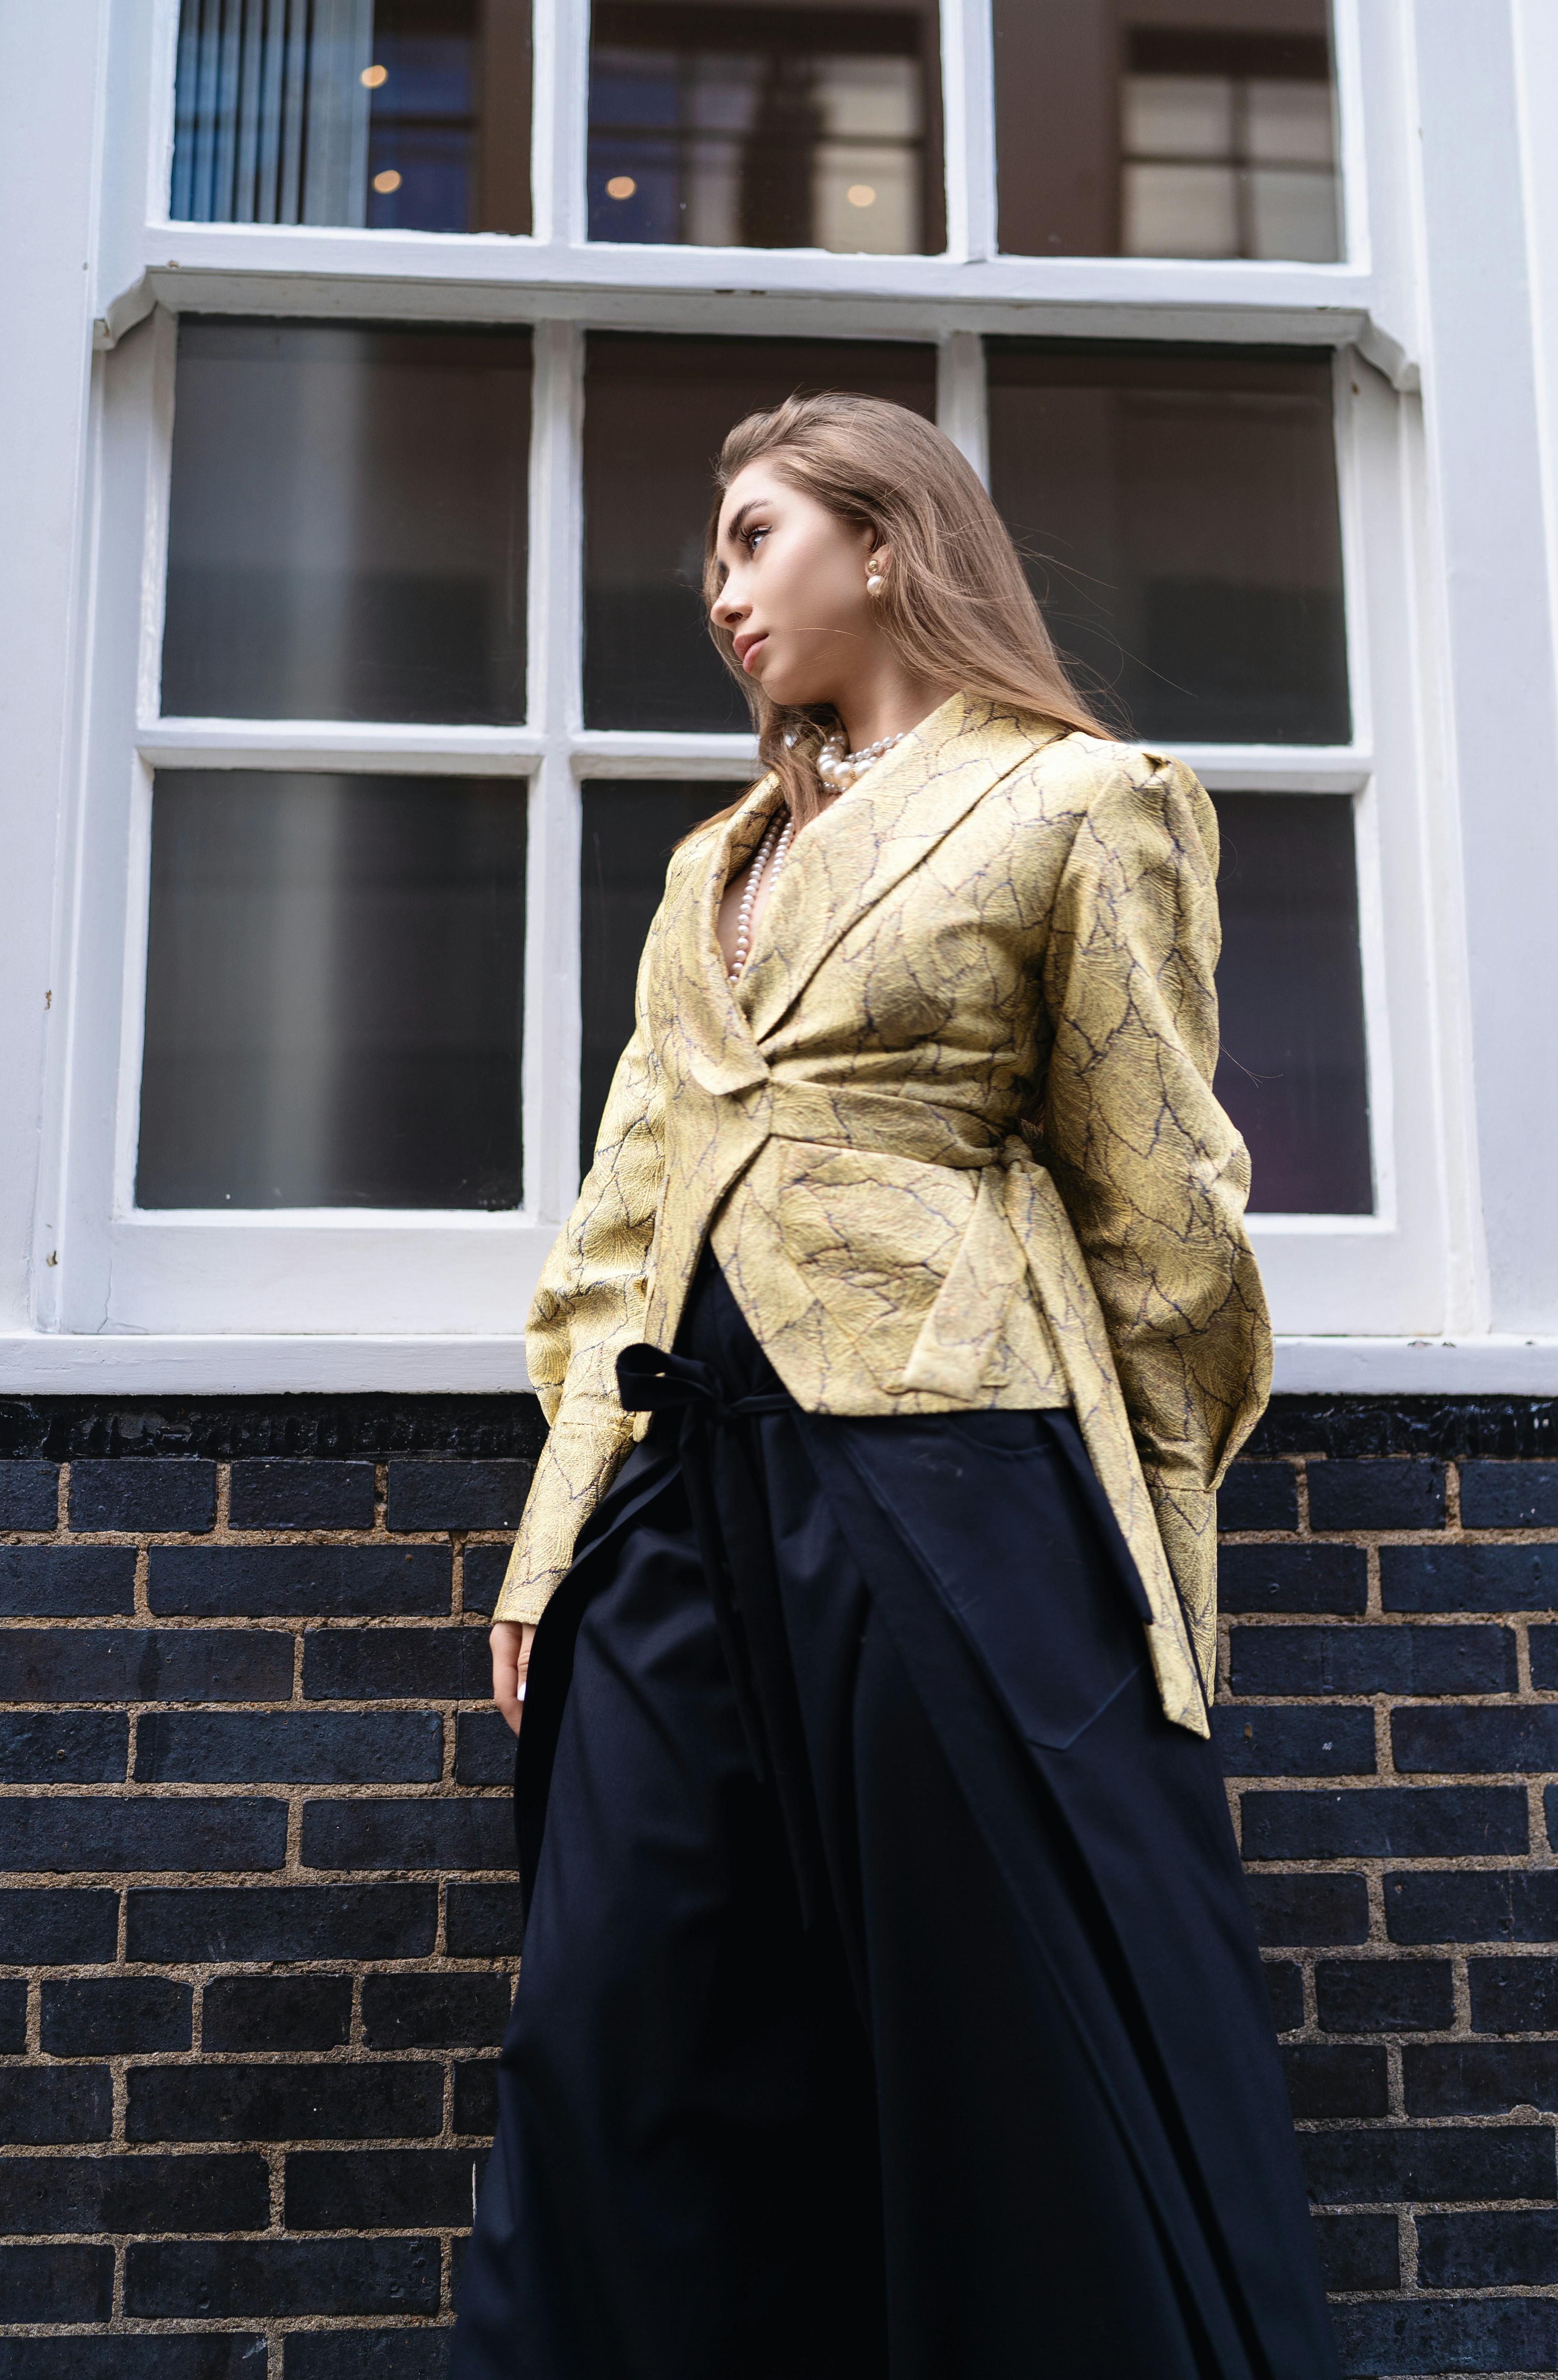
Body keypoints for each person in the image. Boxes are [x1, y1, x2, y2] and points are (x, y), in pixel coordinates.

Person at [451, 391, 1340, 2380]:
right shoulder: (711, 870)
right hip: (686, 1489)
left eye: (757, 536)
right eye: (715, 552)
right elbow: (624, 1216)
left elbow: (1165, 1212)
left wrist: (1147, 1557)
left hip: (960, 1478)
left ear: (887, 539)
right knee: (616, 2007)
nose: (722, 589)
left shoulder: (1082, 801)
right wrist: (552, 1543)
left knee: (999, 2028)